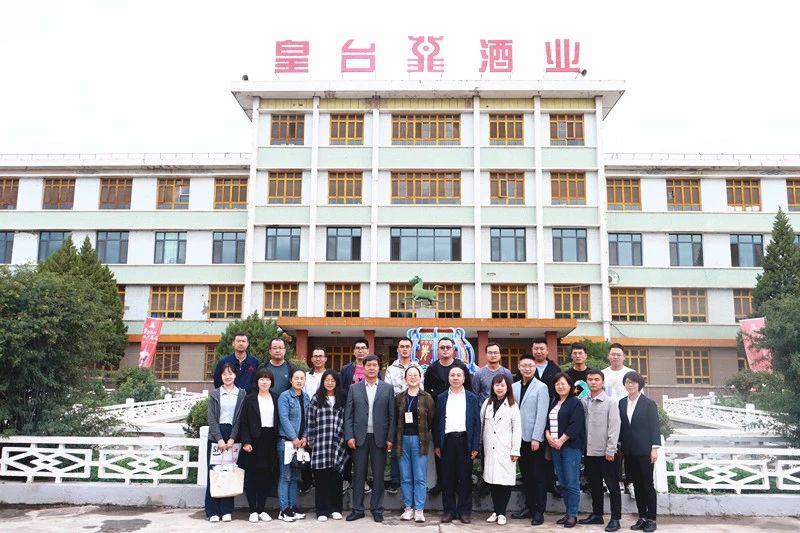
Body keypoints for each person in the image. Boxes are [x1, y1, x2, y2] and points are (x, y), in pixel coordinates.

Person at [343, 355, 396, 523]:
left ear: (379, 368)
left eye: (374, 365)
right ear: (363, 368)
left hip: (380, 437)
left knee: (379, 475)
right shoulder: (354, 388)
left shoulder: (387, 388)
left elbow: (392, 415)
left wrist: (390, 437)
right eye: (369, 365)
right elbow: (348, 415)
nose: (372, 368)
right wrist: (349, 435)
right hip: (359, 437)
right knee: (358, 474)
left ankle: (377, 509)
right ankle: (357, 509)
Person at [424, 336, 472, 496]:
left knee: (460, 453)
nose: (445, 350)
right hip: (438, 415)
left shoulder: (460, 367)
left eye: (448, 347)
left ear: (453, 350)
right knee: (440, 449)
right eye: (442, 347)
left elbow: (469, 389)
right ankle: (441, 482)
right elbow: (427, 392)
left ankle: (457, 483)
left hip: (459, 415)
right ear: (438, 350)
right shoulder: (432, 369)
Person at [433, 365, 481, 524]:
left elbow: (476, 423)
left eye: (458, 375)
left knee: (465, 478)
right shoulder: (441, 397)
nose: (455, 378)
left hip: (465, 441)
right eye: (452, 375)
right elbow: (437, 423)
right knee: (447, 478)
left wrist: (475, 446)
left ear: (464, 378)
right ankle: (448, 511)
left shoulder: (471, 397)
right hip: (447, 441)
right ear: (448, 378)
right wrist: (437, 445)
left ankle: (464, 511)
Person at [579, 369, 622, 532]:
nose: (593, 382)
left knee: (612, 486)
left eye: (596, 379)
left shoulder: (610, 402)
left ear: (602, 382)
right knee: (595, 485)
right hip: (589, 452)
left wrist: (610, 450)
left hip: (606, 453)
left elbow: (614, 427)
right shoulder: (584, 401)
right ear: (587, 382)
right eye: (590, 379)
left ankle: (615, 518)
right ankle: (597, 515)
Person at [618, 371, 660, 533]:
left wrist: (654, 449)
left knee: (647, 484)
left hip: (645, 451)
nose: (630, 385)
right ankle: (642, 517)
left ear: (639, 385)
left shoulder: (649, 404)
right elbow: (622, 427)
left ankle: (652, 519)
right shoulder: (622, 403)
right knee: (636, 485)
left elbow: (655, 427)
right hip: (629, 451)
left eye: (633, 382)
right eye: (627, 382)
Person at [511, 354, 550, 525]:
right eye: (524, 365)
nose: (527, 369)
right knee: (526, 475)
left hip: (533, 439)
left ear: (535, 368)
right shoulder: (513, 386)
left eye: (530, 366)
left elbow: (542, 414)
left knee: (537, 476)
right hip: (518, 438)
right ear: (519, 368)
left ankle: (539, 511)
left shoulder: (541, 387)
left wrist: (536, 437)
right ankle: (528, 507)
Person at [237, 368, 280, 523]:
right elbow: (244, 422)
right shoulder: (249, 399)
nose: (264, 382)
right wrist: (246, 441)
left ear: (271, 382)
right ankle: (253, 510)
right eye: (261, 379)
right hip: (254, 441)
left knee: (266, 476)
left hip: (270, 440)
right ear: (257, 381)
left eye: (267, 379)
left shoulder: (276, 398)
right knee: (252, 476)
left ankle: (261, 509)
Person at [205, 363, 246, 522]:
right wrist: (220, 439)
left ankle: (227, 510)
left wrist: (232, 438)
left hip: (234, 436)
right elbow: (211, 419)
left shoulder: (241, 394)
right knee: (214, 472)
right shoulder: (215, 394)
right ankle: (212, 511)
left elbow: (240, 418)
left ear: (235, 375)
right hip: (216, 436)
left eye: (230, 373)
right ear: (220, 376)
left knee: (230, 471)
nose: (228, 377)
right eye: (224, 374)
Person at [545, 372, 585, 528]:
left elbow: (576, 424)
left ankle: (573, 514)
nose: (560, 386)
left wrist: (561, 440)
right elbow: (547, 422)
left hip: (570, 447)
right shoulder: (553, 402)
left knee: (571, 481)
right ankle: (568, 512)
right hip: (555, 446)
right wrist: (548, 436)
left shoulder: (575, 403)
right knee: (562, 481)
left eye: (563, 383)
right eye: (557, 384)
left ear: (570, 386)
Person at [394, 365, 434, 523]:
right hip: (402, 440)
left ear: (420, 377)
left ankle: (419, 509)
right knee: (405, 476)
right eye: (409, 375)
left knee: (419, 476)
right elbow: (395, 419)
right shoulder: (399, 398)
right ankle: (408, 508)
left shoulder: (427, 397)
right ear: (405, 379)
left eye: (415, 375)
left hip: (419, 440)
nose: (412, 377)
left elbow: (431, 419)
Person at [384, 337, 423, 494]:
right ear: (398, 349)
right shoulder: (391, 369)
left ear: (411, 349)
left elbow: (422, 389)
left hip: (414, 410)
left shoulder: (418, 367)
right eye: (402, 346)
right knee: (396, 447)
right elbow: (387, 391)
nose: (405, 349)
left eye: (407, 346)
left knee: (414, 448)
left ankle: (413, 481)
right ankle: (395, 481)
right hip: (396, 410)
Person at [306, 370, 347, 522]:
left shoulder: (342, 399)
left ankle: (335, 509)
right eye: (327, 380)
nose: (330, 383)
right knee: (321, 478)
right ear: (322, 382)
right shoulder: (316, 399)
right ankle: (322, 510)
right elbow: (310, 419)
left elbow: (346, 419)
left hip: (338, 443)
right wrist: (311, 438)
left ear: (337, 382)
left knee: (336, 478)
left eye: (333, 380)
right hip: (321, 443)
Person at [480, 374, 521, 526]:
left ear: (507, 387)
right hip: (490, 449)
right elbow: (482, 425)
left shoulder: (512, 405)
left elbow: (517, 429)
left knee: (504, 482)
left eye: (502, 385)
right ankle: (496, 511)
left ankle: (502, 513)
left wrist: (515, 450)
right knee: (493, 481)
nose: (499, 388)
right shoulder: (487, 403)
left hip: (506, 449)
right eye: (497, 385)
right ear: (492, 387)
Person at [276, 369, 310, 522]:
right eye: (296, 378)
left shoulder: (306, 397)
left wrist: (305, 437)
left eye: (302, 378)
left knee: (296, 477)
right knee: (286, 476)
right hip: (286, 442)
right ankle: (284, 510)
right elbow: (283, 418)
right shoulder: (285, 396)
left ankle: (293, 507)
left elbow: (309, 419)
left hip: (300, 443)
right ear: (291, 380)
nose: (299, 381)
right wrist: (294, 437)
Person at [300, 347, 328, 494]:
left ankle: (319, 480)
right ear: (311, 359)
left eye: (320, 356)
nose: (318, 359)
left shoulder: (330, 376)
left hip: (325, 419)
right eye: (315, 356)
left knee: (322, 450)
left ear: (325, 359)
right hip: (307, 417)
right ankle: (307, 481)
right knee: (307, 449)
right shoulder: (305, 376)